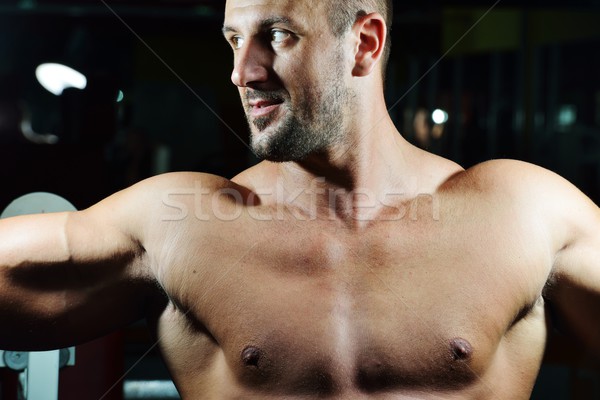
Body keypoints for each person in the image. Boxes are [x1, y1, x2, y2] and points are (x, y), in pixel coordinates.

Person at [1, 0, 599, 398]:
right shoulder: (177, 223)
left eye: (277, 36)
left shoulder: (520, 213)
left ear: (364, 43)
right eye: (234, 39)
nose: (242, 72)